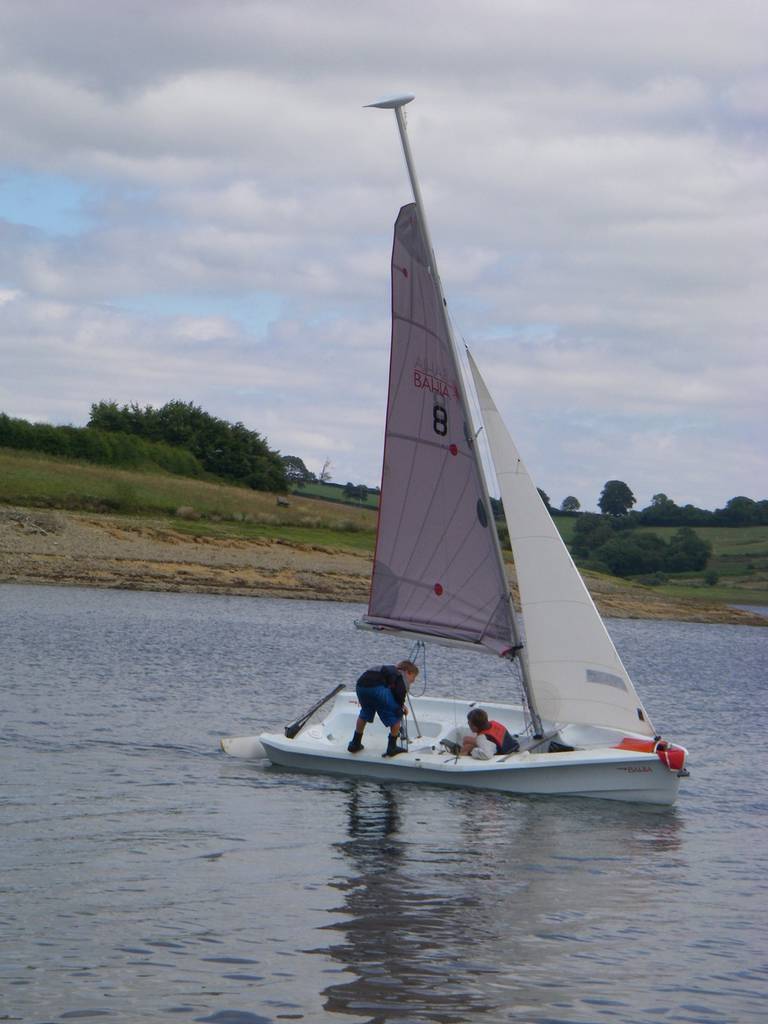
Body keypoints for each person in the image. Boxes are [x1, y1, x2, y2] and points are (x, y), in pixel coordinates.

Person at [347, 660, 419, 757]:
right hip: (376, 689)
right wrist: (401, 707)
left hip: (361, 687)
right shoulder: (401, 676)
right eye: (413, 678)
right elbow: (399, 693)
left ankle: (355, 743)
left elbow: (393, 691)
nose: (412, 681)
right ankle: (392, 747)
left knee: (365, 712)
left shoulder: (388, 670)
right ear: (407, 672)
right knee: (397, 712)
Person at [441, 708, 519, 759]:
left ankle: (461, 756)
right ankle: (461, 751)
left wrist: (471, 751)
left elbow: (487, 755)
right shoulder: (493, 723)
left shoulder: (482, 738)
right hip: (510, 746)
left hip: (503, 754)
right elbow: (489, 740)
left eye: (469, 723)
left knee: (467, 747)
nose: (468, 723)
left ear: (475, 727)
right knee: (466, 739)